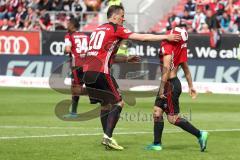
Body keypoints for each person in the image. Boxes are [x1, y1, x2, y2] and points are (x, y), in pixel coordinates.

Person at [82, 5, 181, 150]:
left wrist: (126, 59)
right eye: (122, 15)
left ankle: (107, 136)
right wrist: (166, 36)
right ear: (115, 17)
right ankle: (108, 137)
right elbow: (143, 38)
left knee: (105, 105)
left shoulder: (97, 30)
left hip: (87, 72)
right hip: (101, 72)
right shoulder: (116, 28)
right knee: (119, 103)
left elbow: (106, 55)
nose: (124, 18)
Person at [146, 24, 208, 152]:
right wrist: (191, 86)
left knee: (172, 119)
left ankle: (200, 134)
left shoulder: (167, 45)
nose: (170, 33)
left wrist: (162, 87)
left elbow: (167, 69)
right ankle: (157, 144)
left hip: (169, 85)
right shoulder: (181, 48)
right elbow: (186, 69)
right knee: (157, 111)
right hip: (171, 83)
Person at [63, 18, 89, 118]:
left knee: (75, 88)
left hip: (76, 65)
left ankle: (73, 113)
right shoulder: (85, 36)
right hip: (87, 64)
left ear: (73, 25)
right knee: (82, 86)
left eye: (68, 23)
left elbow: (68, 49)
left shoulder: (69, 35)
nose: (67, 25)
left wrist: (64, 51)